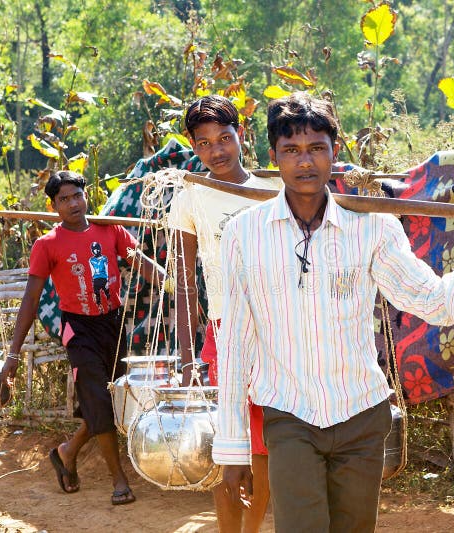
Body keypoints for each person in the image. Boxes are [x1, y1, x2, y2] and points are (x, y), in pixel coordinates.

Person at [212, 91, 454, 532]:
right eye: (291, 151)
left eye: (317, 148)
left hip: (360, 415)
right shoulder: (243, 234)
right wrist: (233, 451)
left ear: (335, 152)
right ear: (274, 157)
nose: (305, 162)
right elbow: (235, 343)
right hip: (288, 415)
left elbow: (434, 301)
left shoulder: (371, 227)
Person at [2, 170, 151, 506]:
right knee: (99, 400)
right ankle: (119, 481)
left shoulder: (109, 229)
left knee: (111, 402)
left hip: (112, 325)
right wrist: (13, 354)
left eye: (77, 196)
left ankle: (66, 452)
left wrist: (173, 282)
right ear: (53, 206)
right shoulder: (47, 245)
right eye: (64, 199)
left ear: (87, 197)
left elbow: (140, 262)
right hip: (78, 331)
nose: (73, 203)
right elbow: (31, 299)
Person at [167, 94, 275, 532]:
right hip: (225, 335)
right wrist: (185, 352)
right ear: (194, 147)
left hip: (277, 334)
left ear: (240, 135)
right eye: (205, 143)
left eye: (224, 138)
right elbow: (185, 282)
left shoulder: (273, 192)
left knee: (267, 449)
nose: (217, 150)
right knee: (231, 449)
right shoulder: (190, 198)